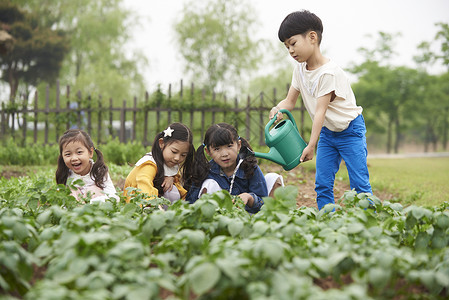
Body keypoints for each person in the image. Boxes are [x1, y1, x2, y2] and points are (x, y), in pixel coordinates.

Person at [269, 10, 372, 210]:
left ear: (312, 37)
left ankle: (368, 223)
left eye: (293, 43)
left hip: (350, 130)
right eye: (286, 47)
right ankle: (327, 219)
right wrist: (277, 108)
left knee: (359, 183)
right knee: (322, 183)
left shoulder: (328, 73)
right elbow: (290, 101)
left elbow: (320, 111)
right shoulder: (299, 70)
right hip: (327, 132)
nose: (290, 50)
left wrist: (311, 145)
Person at [186, 123, 284, 214]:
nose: (225, 154)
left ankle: (274, 218)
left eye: (229, 146)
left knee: (273, 177)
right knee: (209, 184)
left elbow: (263, 200)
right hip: (220, 218)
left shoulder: (249, 167)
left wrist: (250, 198)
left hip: (250, 216)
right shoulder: (206, 171)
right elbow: (191, 203)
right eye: (217, 149)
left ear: (239, 145)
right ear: (208, 152)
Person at [124, 122, 194, 204]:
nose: (177, 158)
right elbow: (144, 187)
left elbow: (178, 189)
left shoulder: (170, 163)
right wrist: (153, 205)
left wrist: (171, 178)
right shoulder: (149, 164)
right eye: (174, 152)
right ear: (161, 143)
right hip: (137, 203)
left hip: (156, 203)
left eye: (183, 155)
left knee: (172, 191)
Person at [55, 129, 118, 203]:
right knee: (69, 191)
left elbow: (113, 197)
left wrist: (90, 204)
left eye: (79, 152)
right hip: (74, 212)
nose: (74, 158)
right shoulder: (65, 174)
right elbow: (59, 200)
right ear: (62, 156)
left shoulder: (99, 172)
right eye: (68, 154)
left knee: (93, 190)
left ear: (90, 152)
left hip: (96, 209)